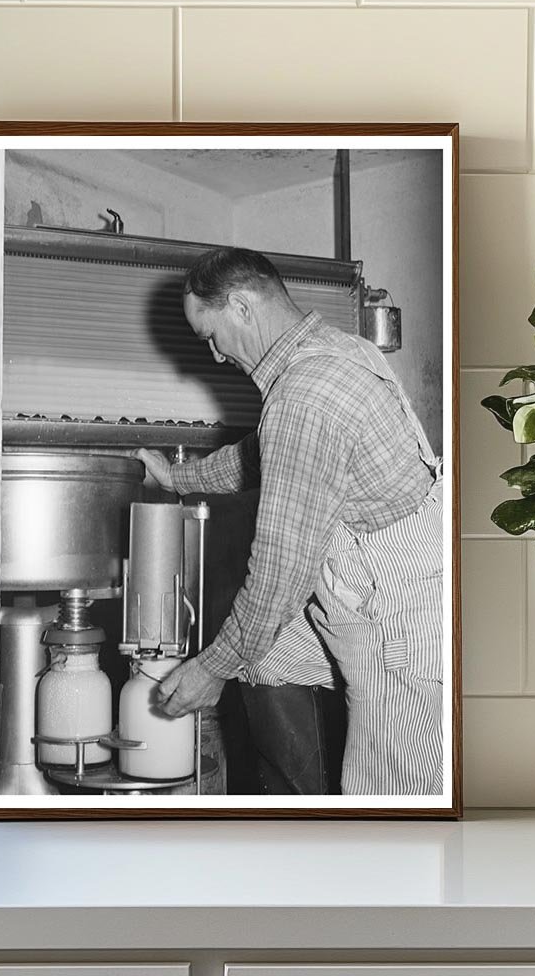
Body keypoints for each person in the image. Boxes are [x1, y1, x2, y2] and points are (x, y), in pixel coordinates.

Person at [136, 247, 444, 795]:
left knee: (387, 802)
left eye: (211, 336)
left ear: (241, 306)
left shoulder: (303, 395)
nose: (216, 356)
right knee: (266, 656)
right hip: (373, 585)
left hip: (398, 622)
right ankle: (305, 816)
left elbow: (280, 573)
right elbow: (262, 454)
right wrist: (176, 478)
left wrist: (211, 668)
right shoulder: (339, 350)